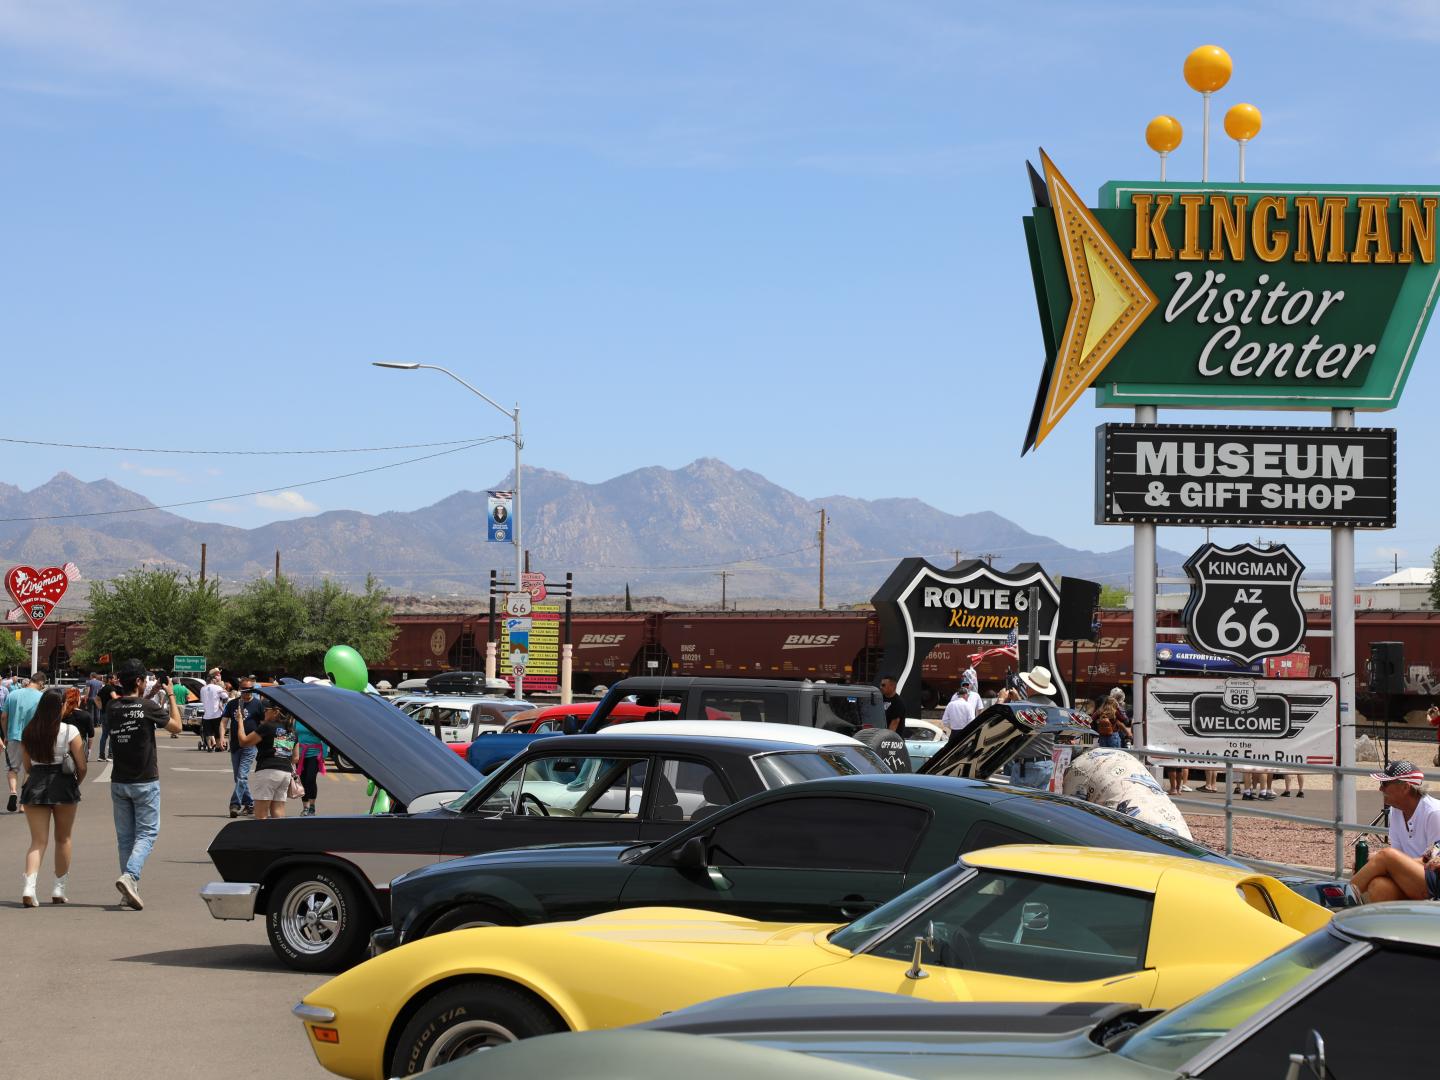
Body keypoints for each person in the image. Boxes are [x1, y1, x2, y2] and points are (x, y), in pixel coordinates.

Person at [106, 659, 182, 910]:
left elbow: (132, 704)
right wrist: (170, 694)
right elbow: (177, 726)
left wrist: (150, 692)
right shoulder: (148, 707)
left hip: (119, 780)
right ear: (138, 681)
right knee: (147, 833)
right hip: (145, 780)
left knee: (125, 838)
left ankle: (129, 890)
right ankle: (130, 877)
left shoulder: (112, 706)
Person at [19, 687, 85, 906]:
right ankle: (59, 888)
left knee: (37, 841)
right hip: (63, 784)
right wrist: (75, 783)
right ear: (62, 705)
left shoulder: (29, 731)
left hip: (36, 782)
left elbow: (27, 767)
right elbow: (82, 765)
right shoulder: (70, 731)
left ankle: (29, 887)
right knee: (63, 838)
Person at [1349, 760, 1440, 902]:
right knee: (1378, 886)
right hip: (1415, 879)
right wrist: (1377, 864)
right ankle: (1392, 923)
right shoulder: (1395, 811)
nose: (1380, 789)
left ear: (1405, 787)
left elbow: (1433, 862)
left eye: (1385, 784)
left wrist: (1383, 861)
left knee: (1385, 855)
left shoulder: (1434, 813)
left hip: (1434, 880)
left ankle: (1338, 901)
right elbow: (1399, 855)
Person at [235, 699, 297, 819]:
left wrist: (240, 722)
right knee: (278, 810)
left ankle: (261, 837)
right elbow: (295, 757)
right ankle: (278, 836)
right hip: (285, 772)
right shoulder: (290, 730)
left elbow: (243, 742)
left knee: (261, 813)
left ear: (276, 712)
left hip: (268, 770)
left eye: (266, 710)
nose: (264, 713)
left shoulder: (268, 727)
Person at [3, 672, 46, 813]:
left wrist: (5, 735)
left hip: (13, 736)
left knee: (12, 768)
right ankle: (23, 802)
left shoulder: (12, 694)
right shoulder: (41, 697)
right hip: (32, 738)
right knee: (29, 770)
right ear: (40, 683)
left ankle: (13, 792)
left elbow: (3, 717)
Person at [224, 680, 260, 817]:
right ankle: (250, 804)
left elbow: (263, 724)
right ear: (240, 689)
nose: (247, 691)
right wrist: (221, 737)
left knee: (242, 776)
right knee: (238, 778)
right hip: (235, 745)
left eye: (250, 689)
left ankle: (234, 804)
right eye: (244, 689)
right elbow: (224, 721)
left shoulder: (258, 704)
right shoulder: (233, 703)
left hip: (251, 745)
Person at [293, 716, 328, 817]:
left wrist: (324, 755)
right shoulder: (297, 720)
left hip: (315, 753)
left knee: (310, 779)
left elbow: (324, 738)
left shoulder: (317, 719)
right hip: (300, 754)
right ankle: (305, 807)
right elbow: (294, 736)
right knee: (303, 781)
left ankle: (312, 806)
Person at [939, 669, 982, 736]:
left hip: (961, 730)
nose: (966, 687)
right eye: (964, 685)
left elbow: (979, 709)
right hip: (966, 729)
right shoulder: (956, 697)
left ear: (971, 684)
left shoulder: (976, 695)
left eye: (967, 685)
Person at [95, 674, 121, 761]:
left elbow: (96, 699)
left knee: (104, 735)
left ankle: (101, 756)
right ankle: (110, 755)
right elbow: (114, 698)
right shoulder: (111, 688)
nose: (115, 680)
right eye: (114, 678)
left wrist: (100, 707)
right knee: (112, 734)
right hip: (111, 714)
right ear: (110, 679)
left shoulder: (103, 688)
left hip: (103, 713)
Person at [199, 673, 226, 752]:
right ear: (212, 680)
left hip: (206, 715)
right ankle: (218, 746)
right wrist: (221, 702)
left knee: (208, 732)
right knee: (217, 732)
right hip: (216, 714)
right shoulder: (218, 687)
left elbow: (201, 700)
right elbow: (225, 697)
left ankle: (210, 747)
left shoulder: (202, 689)